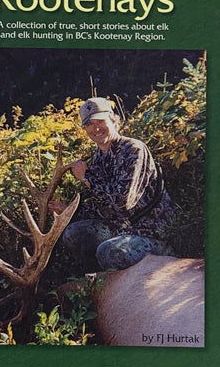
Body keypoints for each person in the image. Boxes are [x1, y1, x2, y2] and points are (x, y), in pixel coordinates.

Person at [49, 97, 178, 271]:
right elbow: (100, 206)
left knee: (108, 252)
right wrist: (68, 210)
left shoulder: (134, 150)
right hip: (123, 229)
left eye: (101, 121)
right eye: (89, 124)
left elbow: (122, 202)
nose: (96, 128)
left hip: (152, 232)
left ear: (113, 120)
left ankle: (166, 255)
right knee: (72, 234)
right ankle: (97, 279)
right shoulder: (98, 158)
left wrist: (86, 177)